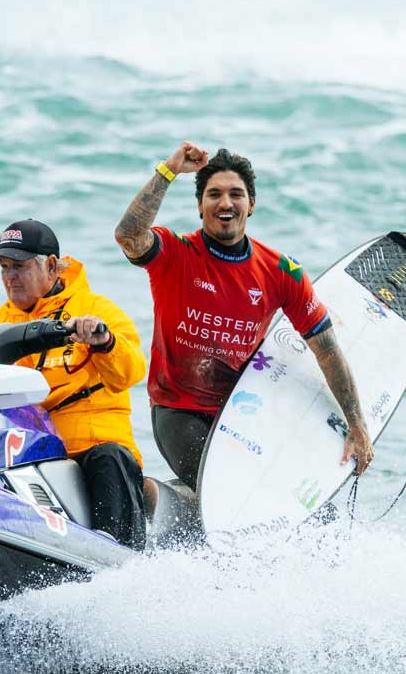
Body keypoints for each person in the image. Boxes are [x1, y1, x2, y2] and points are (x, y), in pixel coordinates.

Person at [113, 144, 373, 492]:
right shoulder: (176, 254)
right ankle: (178, 499)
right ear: (200, 206)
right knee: (227, 489)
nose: (225, 203)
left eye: (236, 194)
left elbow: (326, 350)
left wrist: (357, 428)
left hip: (245, 410)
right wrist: (169, 170)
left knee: (298, 492)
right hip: (179, 411)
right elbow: (128, 235)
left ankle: (175, 498)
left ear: (251, 204)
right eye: (214, 194)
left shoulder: (282, 273)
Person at [0, 219, 149, 549]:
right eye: (4, 268)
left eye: (20, 267)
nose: (10, 277)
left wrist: (104, 340)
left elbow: (131, 373)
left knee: (110, 457)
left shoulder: (95, 309)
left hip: (91, 445)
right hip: (22, 450)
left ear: (52, 266)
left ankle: (124, 564)